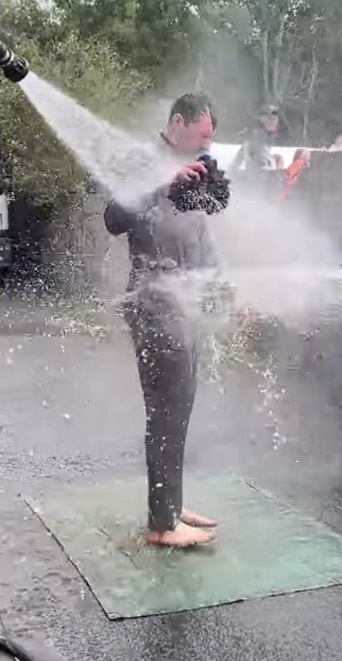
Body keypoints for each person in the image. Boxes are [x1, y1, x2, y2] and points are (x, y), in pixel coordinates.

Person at [103, 93, 224, 548]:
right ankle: (163, 524)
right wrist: (161, 183)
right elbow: (114, 218)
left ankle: (170, 504)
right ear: (179, 122)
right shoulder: (144, 163)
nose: (208, 145)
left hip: (186, 301)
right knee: (167, 408)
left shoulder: (195, 170)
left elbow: (199, 235)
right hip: (154, 301)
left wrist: (222, 291)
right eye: (204, 135)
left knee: (181, 406)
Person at [231, 103, 281, 171]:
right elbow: (246, 152)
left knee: (278, 158)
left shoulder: (266, 136)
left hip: (263, 171)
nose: (273, 122)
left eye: (275, 119)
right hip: (261, 174)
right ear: (262, 119)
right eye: (270, 119)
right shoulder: (257, 136)